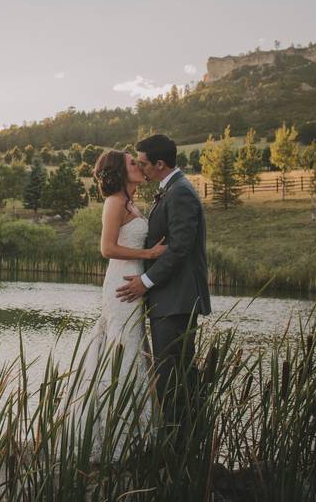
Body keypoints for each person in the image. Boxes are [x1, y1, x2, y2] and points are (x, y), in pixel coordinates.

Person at [61, 149, 167, 459]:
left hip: (135, 281)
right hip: (122, 284)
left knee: (133, 347)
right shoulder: (114, 203)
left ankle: (133, 434)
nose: (138, 165)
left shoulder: (131, 203)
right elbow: (107, 248)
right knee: (124, 349)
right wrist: (149, 255)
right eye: (132, 163)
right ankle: (112, 439)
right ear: (120, 172)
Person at [116, 134, 212, 434]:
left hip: (176, 301)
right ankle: (184, 442)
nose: (140, 168)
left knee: (172, 377)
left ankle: (179, 445)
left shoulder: (180, 193)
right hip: (170, 300)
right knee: (176, 374)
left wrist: (145, 281)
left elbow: (180, 247)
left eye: (143, 163)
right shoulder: (171, 189)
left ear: (160, 164)